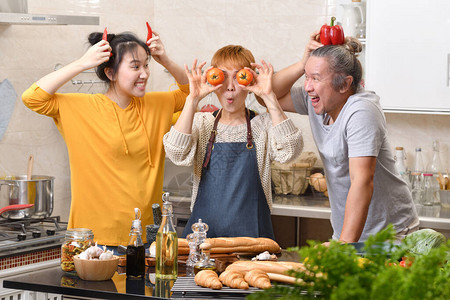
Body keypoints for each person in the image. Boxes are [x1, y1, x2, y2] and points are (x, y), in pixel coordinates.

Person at [22, 30, 189, 250]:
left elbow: (190, 92)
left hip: (146, 240)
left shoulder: (157, 104)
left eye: (146, 65)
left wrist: (164, 60)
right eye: (135, 66)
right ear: (111, 74)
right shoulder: (81, 108)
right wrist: (82, 63)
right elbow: (32, 98)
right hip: (92, 241)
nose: (145, 74)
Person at [272, 32, 418, 243]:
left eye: (315, 78)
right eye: (306, 76)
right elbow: (267, 95)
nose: (307, 86)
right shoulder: (317, 100)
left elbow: (362, 181)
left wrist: (343, 247)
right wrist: (303, 62)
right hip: (348, 235)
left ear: (344, 84)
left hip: (388, 237)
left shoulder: (362, 110)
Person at [163, 45, 302, 239]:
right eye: (222, 76)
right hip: (204, 243)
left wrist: (269, 97)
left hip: (252, 242)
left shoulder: (262, 125)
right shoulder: (202, 123)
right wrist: (192, 99)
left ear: (250, 81)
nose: (230, 86)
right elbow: (176, 152)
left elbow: (290, 150)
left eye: (238, 77)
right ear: (212, 79)